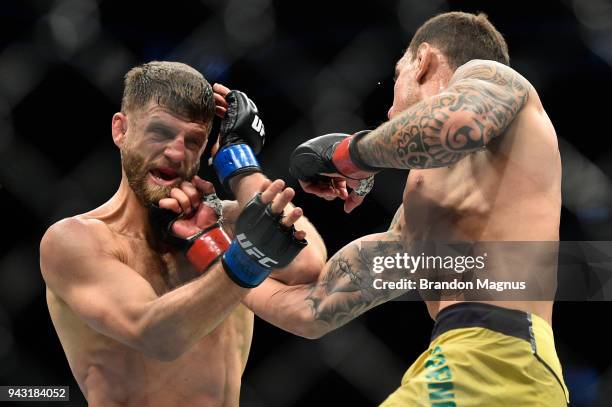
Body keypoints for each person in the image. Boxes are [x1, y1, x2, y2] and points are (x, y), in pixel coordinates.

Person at [243, 12, 570, 406]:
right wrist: (218, 256)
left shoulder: (495, 79)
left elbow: (456, 123)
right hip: (465, 361)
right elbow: (313, 309)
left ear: (423, 61)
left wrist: (348, 156)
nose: (389, 111)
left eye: (397, 76)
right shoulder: (422, 216)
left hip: (498, 356)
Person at [39, 61, 327, 406]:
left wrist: (240, 163)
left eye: (193, 141)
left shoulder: (224, 221)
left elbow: (307, 265)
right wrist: (242, 256)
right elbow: (156, 335)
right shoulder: (77, 240)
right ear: (121, 130)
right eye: (160, 132)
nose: (176, 153)